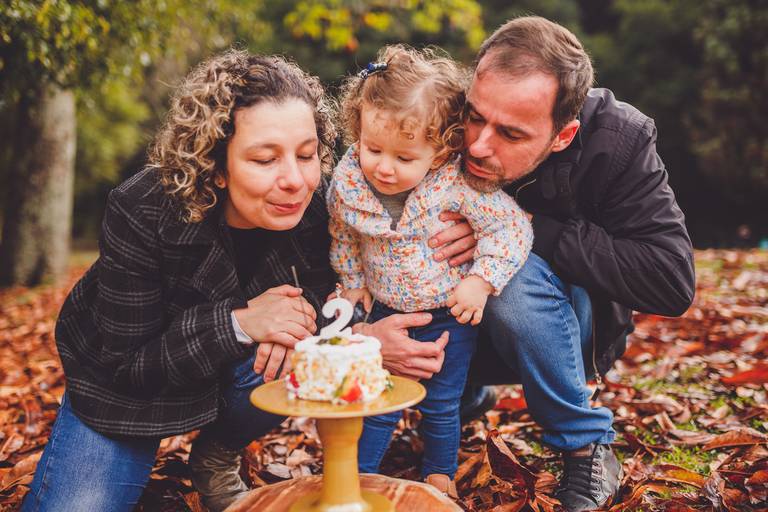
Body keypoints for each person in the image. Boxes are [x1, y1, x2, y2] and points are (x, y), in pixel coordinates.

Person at [354, 16, 696, 512]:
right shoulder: (433, 110)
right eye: (475, 116)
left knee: (507, 277)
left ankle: (585, 443)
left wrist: (530, 229)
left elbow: (671, 280)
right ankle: (460, 395)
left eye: (511, 134)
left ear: (563, 134)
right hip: (445, 322)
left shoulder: (619, 141)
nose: (476, 144)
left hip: (563, 326)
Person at [21, 49, 342, 512]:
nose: (295, 179)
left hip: (234, 369)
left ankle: (217, 450)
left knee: (301, 349)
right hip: (125, 386)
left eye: (307, 155)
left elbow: (323, 284)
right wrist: (243, 323)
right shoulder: (140, 208)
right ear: (215, 164)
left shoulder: (314, 203)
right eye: (265, 159)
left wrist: (299, 318)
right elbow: (127, 363)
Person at [328, 45, 532, 495]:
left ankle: (438, 475)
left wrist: (481, 280)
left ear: (439, 154)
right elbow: (344, 236)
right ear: (357, 132)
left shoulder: (457, 186)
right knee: (379, 399)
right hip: (384, 310)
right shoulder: (347, 186)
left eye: (403, 158)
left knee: (442, 402)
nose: (383, 167)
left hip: (448, 314)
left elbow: (511, 228)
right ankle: (359, 479)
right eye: (372, 148)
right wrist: (352, 284)